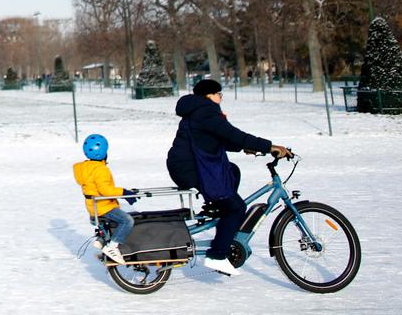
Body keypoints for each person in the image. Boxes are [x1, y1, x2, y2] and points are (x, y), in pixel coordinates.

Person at [166, 78, 289, 276]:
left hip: (187, 166)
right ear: (209, 96)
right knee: (237, 208)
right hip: (190, 169)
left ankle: (217, 206)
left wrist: (245, 147)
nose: (221, 98)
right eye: (218, 94)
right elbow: (233, 134)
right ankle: (217, 255)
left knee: (232, 171)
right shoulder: (206, 111)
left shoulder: (198, 110)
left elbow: (221, 138)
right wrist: (270, 146)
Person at [72, 133, 137, 263]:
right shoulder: (100, 169)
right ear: (103, 153)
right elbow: (106, 190)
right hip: (104, 207)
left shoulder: (85, 168)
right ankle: (112, 247)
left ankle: (102, 240)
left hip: (93, 208)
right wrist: (124, 193)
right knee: (127, 221)